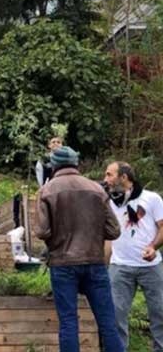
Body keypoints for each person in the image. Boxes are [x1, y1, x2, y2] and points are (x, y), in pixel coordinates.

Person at [35, 146, 123, 352]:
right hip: (95, 262)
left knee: (68, 323)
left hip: (63, 264)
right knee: (108, 323)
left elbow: (42, 231)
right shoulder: (96, 189)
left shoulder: (46, 191)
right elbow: (114, 230)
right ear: (76, 164)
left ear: (54, 165)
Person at [103, 161, 163, 351]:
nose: (106, 180)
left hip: (151, 267)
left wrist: (153, 246)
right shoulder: (109, 203)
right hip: (119, 267)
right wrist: (104, 266)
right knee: (115, 315)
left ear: (124, 178)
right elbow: (108, 238)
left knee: (159, 313)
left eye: (109, 175)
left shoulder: (151, 199)